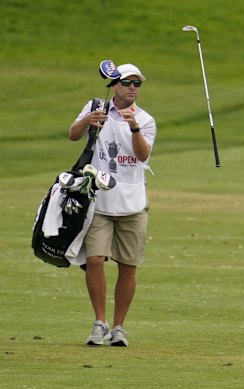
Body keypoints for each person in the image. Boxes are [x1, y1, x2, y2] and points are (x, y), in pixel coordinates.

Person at [69, 63, 156, 347]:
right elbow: (73, 134)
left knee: (128, 265)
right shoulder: (96, 107)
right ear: (114, 85)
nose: (133, 88)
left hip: (133, 202)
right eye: (128, 83)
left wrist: (134, 129)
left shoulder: (145, 119)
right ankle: (99, 323)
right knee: (94, 260)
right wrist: (87, 121)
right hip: (99, 200)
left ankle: (119, 328)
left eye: (137, 84)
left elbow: (143, 156)